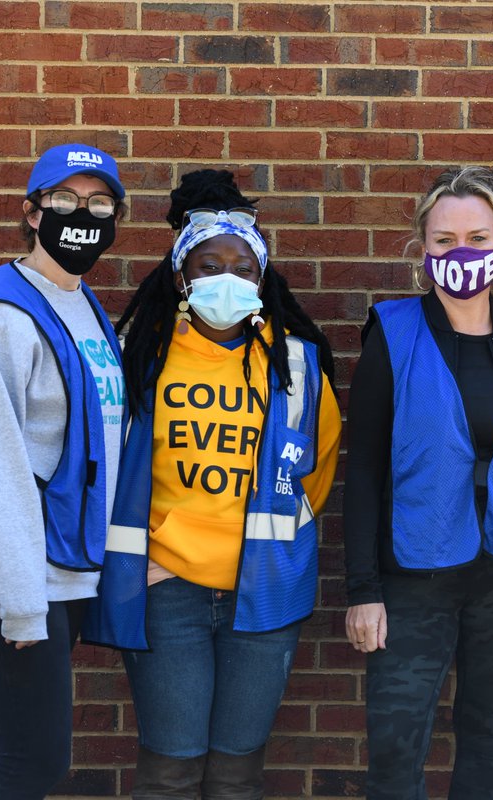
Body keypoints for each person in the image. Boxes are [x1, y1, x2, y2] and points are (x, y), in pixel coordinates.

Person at [83, 169, 341, 800]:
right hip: (167, 591)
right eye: (209, 264)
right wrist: (142, 555)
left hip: (264, 591)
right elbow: (99, 465)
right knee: (170, 772)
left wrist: (275, 550)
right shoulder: (134, 356)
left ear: (261, 281)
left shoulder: (296, 362)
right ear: (181, 276)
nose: (227, 277)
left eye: (243, 267)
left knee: (237, 774)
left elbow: (318, 467)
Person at [343, 166, 493, 800]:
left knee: (490, 741)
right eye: (443, 241)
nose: (460, 252)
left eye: (476, 237)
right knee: (395, 742)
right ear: (423, 249)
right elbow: (362, 467)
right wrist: (364, 588)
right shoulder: (394, 330)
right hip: (415, 573)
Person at [0, 143, 126, 799]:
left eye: (99, 203)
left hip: (52, 566)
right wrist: (21, 608)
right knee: (35, 762)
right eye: (64, 200)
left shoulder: (82, 301)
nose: (82, 214)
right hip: (3, 574)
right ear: (33, 213)